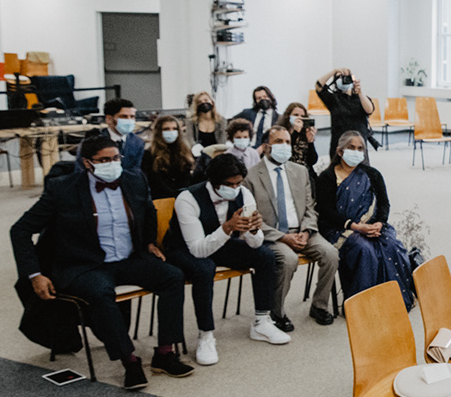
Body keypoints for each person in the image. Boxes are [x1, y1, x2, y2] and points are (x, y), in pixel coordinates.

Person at [10, 135, 194, 390]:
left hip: (127, 259)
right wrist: (34, 274)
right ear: (87, 163)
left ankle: (164, 353)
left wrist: (149, 242)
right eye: (104, 160)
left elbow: (148, 211)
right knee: (100, 293)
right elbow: (20, 230)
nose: (112, 164)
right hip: (83, 264)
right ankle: (129, 361)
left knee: (173, 276)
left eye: (116, 158)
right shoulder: (63, 188)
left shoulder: (134, 179)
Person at [166, 152, 291, 364]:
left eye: (238, 183)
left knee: (265, 255)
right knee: (204, 269)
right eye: (228, 184)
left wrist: (253, 231)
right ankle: (206, 335)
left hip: (220, 242)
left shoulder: (244, 193)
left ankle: (261, 322)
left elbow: (255, 244)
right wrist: (227, 228)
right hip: (184, 249)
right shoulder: (187, 198)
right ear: (213, 181)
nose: (234, 189)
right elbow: (198, 250)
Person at [246, 125, 339, 328]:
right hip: (273, 234)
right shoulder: (251, 176)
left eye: (288, 142)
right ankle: (276, 313)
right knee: (289, 259)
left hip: (303, 231)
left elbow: (310, 207)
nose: (285, 146)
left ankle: (319, 305)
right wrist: (283, 237)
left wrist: (306, 231)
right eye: (279, 142)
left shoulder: (300, 171)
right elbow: (251, 218)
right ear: (266, 146)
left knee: (331, 254)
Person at [316, 132, 415, 309]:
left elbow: (384, 204)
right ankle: (362, 306)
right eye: (351, 148)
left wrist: (379, 223)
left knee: (392, 246)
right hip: (340, 228)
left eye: (360, 148)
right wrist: (355, 226)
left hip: (372, 226)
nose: (356, 152)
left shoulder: (372, 174)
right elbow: (326, 212)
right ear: (340, 151)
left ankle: (393, 300)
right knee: (364, 249)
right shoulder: (327, 177)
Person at [143, 114, 207, 199]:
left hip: (183, 196)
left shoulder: (184, 151)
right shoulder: (150, 154)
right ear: (159, 131)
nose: (171, 131)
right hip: (161, 198)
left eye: (174, 128)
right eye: (166, 129)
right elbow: (154, 180)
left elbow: (186, 177)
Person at [315, 68, 376, 149]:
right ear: (335, 81)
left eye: (346, 77)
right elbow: (319, 86)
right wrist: (334, 71)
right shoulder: (333, 99)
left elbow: (369, 110)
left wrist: (360, 92)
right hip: (339, 142)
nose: (343, 79)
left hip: (359, 143)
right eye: (339, 77)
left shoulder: (360, 98)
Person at [101, 98, 146, 173]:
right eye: (124, 116)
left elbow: (136, 171)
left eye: (132, 116)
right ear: (109, 119)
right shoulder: (94, 141)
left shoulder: (137, 142)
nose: (129, 120)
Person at [279, 101, 319, 170]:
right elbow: (285, 153)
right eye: (296, 115)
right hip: (288, 169)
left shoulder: (305, 133)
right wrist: (295, 132)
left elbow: (312, 161)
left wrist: (310, 142)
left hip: (305, 171)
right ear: (288, 116)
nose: (299, 118)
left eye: (302, 116)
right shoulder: (281, 132)